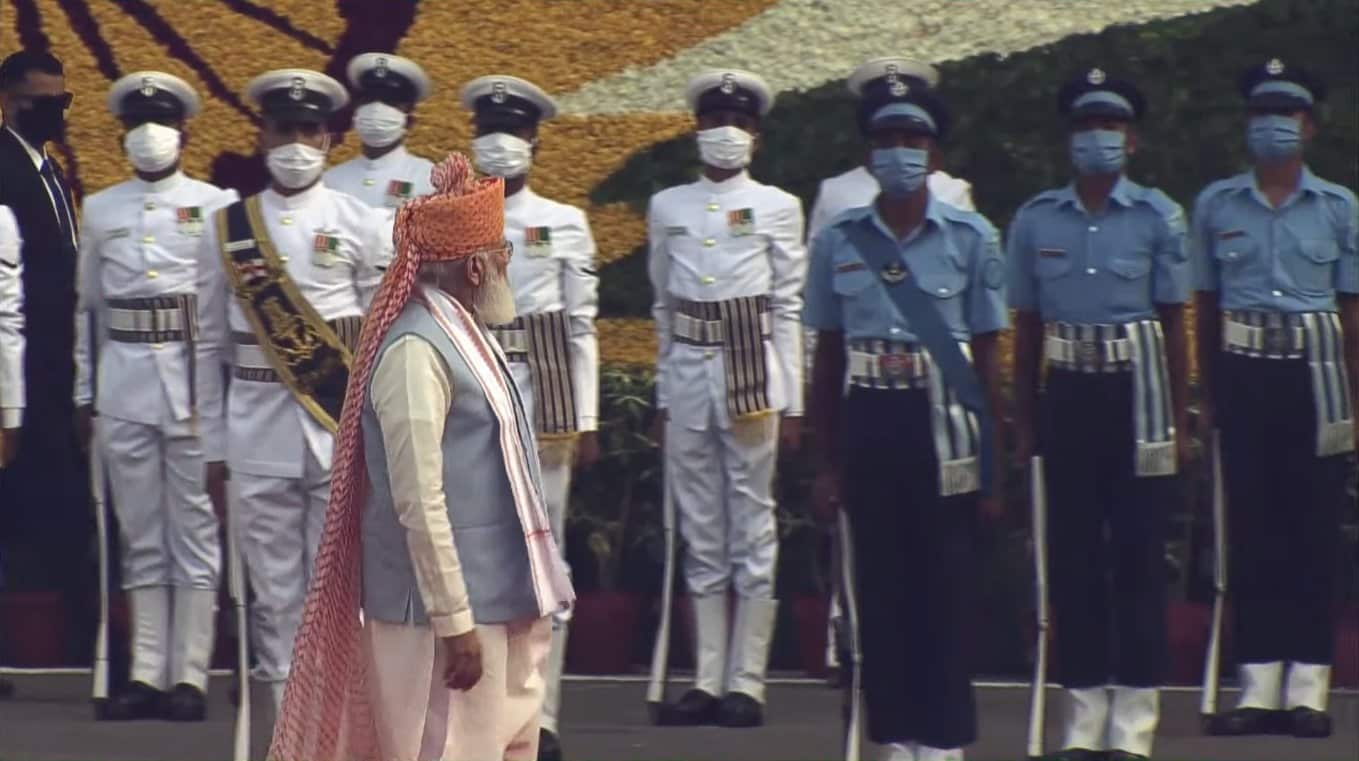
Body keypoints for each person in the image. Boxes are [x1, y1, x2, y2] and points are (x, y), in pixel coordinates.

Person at [268, 153, 574, 761]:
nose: (506, 266)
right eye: (502, 255)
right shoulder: (415, 350)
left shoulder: (467, 335)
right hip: (438, 620)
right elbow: (417, 498)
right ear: (476, 266)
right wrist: (453, 619)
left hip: (499, 601)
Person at [805, 75, 1006, 761]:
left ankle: (942, 739)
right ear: (870, 155)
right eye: (886, 140)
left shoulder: (972, 237)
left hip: (943, 422)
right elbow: (826, 356)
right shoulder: (840, 240)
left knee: (944, 588)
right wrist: (825, 461)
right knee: (882, 589)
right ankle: (893, 737)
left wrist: (990, 466)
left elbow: (987, 359)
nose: (899, 152)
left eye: (912, 140)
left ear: (934, 152)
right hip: (871, 417)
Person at [1008, 68, 1191, 761]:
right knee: (1074, 559)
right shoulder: (1035, 218)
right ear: (1069, 138)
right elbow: (1024, 329)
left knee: (1139, 557)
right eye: (1086, 126)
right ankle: (1082, 716)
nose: (1098, 139)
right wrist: (1024, 419)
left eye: (1110, 126)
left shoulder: (1158, 216)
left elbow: (1175, 324)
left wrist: (1176, 420)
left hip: (1137, 391)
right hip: (1070, 392)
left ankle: (1133, 721)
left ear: (1132, 139)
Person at [194, 67, 386, 713]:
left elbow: (384, 338)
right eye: (283, 129)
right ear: (261, 135)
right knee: (274, 594)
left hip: (339, 425)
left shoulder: (361, 222)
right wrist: (213, 447)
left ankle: (345, 728)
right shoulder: (226, 228)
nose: (296, 142)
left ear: (331, 139)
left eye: (309, 129)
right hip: (255, 430)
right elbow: (207, 350)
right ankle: (288, 728)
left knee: (342, 590)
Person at [1195, 58, 1357, 739]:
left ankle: (1307, 686)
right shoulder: (1215, 204)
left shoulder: (1340, 206)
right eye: (1261, 114)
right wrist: (1206, 393)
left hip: (1316, 376)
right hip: (1244, 368)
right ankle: (1256, 684)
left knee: (1311, 532)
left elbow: (1352, 311)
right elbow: (1202, 306)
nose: (1272, 126)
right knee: (1252, 529)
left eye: (1285, 114)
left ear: (1309, 126)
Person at [72, 71, 239, 721]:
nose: (150, 133)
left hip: (192, 382)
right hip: (123, 385)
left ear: (184, 131)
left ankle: (190, 673)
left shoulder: (216, 202)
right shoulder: (102, 208)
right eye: (138, 121)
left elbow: (223, 313)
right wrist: (87, 392)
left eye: (162, 120)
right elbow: (87, 308)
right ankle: (144, 669)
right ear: (123, 135)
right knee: (140, 532)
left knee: (193, 530)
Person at [647, 68, 806, 728]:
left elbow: (789, 305)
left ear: (755, 135)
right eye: (714, 121)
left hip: (750, 371)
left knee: (752, 524)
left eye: (736, 122)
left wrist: (791, 399)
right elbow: (661, 302)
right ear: (697, 129)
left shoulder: (777, 204)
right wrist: (660, 392)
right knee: (701, 529)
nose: (724, 133)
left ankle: (748, 679)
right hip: (688, 370)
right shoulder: (667, 205)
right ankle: (706, 677)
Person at [460, 73, 601, 761]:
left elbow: (580, 328)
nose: (499, 144)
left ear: (534, 140)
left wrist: (588, 417)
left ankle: (539, 714)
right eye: (489, 131)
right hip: (467, 406)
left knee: (544, 565)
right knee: (473, 559)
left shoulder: (564, 222)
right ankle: (484, 712)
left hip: (543, 408)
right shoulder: (446, 219)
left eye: (512, 132)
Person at [0, 48, 93, 666]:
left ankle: (79, 641)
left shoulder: (44, 168)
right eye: (43, 102)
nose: (55, 112)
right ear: (9, 98)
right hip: (20, 374)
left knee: (54, 507)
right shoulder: (4, 168)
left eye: (62, 101)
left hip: (55, 372)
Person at [324, 51, 433, 264]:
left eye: (390, 101)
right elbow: (324, 257)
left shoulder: (430, 179)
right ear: (355, 112)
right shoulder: (330, 181)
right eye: (368, 99)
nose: (376, 108)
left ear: (409, 118)